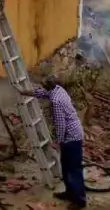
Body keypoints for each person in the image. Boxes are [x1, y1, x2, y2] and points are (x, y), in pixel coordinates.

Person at [18, 76, 87, 209]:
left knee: (73, 169)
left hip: (72, 136)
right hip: (72, 133)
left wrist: (58, 141)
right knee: (66, 167)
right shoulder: (58, 89)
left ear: (48, 86)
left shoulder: (56, 100)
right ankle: (70, 193)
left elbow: (61, 124)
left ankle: (80, 201)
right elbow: (42, 93)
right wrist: (25, 92)